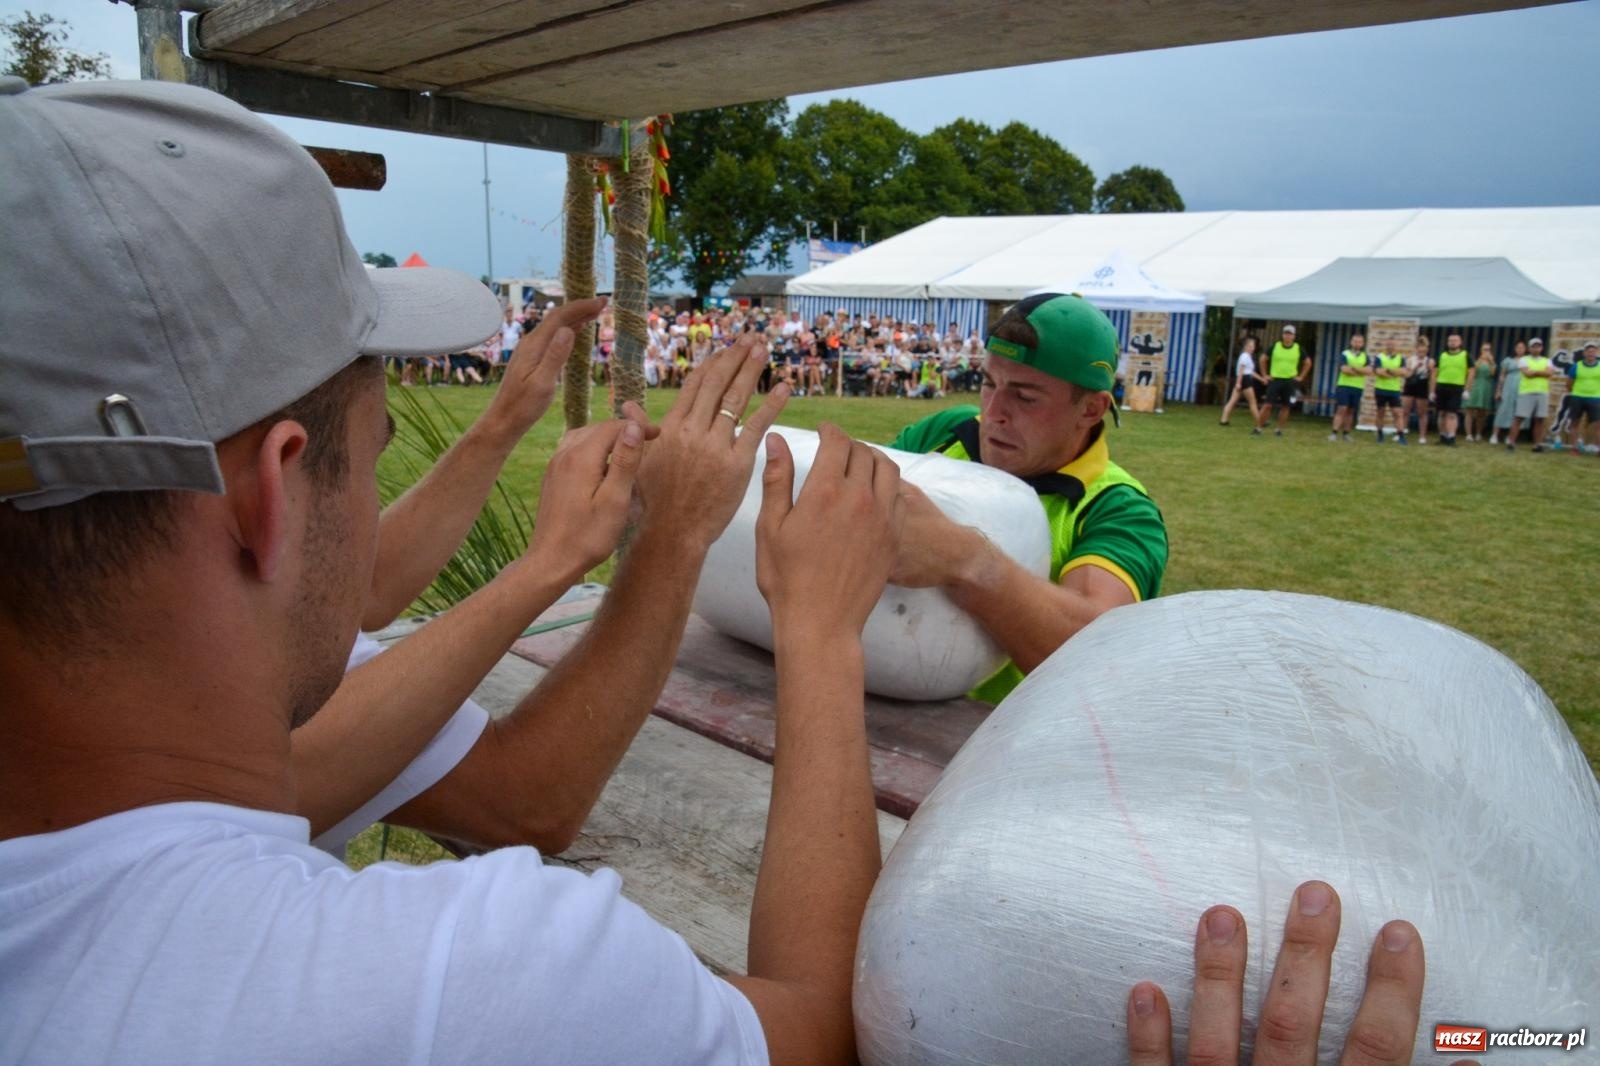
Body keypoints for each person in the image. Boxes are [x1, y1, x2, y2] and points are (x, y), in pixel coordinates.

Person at [0, 78, 901, 1065]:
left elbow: (362, 605)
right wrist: (817, 626)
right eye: (375, 450)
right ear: (274, 491)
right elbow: (819, 1028)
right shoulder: (466, 982)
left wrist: (517, 454)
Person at [887, 294, 1168, 703]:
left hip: (995, 747)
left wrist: (969, 560)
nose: (994, 411)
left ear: (1091, 409)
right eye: (989, 383)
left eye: (1024, 396)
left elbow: (1096, 649)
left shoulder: (1120, 508)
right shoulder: (948, 431)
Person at [1253, 324, 1309, 436]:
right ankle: (1258, 428)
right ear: (1282, 335)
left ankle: (1279, 429)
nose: (1287, 336)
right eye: (1286, 333)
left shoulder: (1298, 348)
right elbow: (1263, 359)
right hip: (1275, 379)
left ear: (1294, 336)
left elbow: (1307, 362)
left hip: (1290, 380)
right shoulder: (1275, 346)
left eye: (1290, 334)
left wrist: (1301, 376)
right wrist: (1265, 374)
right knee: (1268, 404)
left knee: (1286, 406)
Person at [1507, 336, 1554, 452]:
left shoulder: (1547, 360)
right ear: (1529, 348)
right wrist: (1541, 372)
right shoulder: (1524, 359)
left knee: (1540, 420)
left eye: (1538, 346)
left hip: (1542, 392)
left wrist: (1535, 372)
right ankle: (1511, 443)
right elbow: (1527, 374)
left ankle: (1537, 445)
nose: (1536, 349)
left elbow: (1549, 373)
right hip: (1526, 392)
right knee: (1519, 418)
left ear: (1542, 348)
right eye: (1534, 346)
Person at [1431, 331, 1471, 446]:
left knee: (1452, 414)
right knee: (1442, 413)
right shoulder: (1442, 355)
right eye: (1450, 341)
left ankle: (1451, 437)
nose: (1452, 343)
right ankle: (1442, 436)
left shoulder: (1465, 355)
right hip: (1441, 386)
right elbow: (1435, 373)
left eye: (1455, 340)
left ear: (1460, 342)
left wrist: (1467, 389)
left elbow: (1471, 372)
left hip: (1456, 387)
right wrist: (1432, 391)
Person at [1329, 332, 1370, 442]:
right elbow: (1344, 369)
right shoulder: (1345, 354)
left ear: (1362, 344)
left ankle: (1346, 434)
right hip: (1344, 385)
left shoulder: (1365, 356)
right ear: (1351, 342)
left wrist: (1354, 369)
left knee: (1351, 411)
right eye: (1355, 341)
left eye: (1359, 342)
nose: (1357, 344)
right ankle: (1334, 432)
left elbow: (1369, 370)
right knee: (1342, 408)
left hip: (1357, 387)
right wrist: (1360, 370)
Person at [1218, 336, 1262, 427]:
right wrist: (1239, 383)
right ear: (1245, 346)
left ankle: (1224, 419)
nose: (1252, 348)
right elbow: (1241, 370)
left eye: (1253, 346)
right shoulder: (1245, 356)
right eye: (1250, 346)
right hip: (1244, 380)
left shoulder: (1247, 356)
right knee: (1253, 402)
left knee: (1232, 401)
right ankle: (1259, 421)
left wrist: (1261, 379)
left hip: (1242, 379)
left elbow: (1250, 371)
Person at [1564, 343, 1600, 454]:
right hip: (1578, 398)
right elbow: (1569, 383)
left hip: (1595, 398)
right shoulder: (1576, 366)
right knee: (1575, 423)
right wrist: (1574, 392)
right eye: (1588, 351)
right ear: (1584, 353)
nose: (1591, 353)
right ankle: (1574, 448)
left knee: (1598, 424)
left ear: (1596, 353)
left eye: (1593, 351)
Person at [1491, 339, 1526, 445]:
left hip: (1522, 388)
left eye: (1522, 347)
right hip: (1508, 387)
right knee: (1503, 410)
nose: (1520, 349)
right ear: (1515, 349)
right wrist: (1498, 390)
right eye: (1518, 347)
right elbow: (1502, 376)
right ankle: (1494, 435)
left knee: (1517, 413)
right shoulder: (1508, 360)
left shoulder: (1528, 361)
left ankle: (1510, 437)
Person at [1371, 342, 1408, 444]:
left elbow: (1404, 372)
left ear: (1396, 346)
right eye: (1389, 345)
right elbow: (1378, 371)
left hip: (1394, 390)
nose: (1391, 347)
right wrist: (1395, 372)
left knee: (1397, 413)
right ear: (1386, 346)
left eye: (1393, 345)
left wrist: (1388, 371)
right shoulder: (1379, 357)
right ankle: (1379, 434)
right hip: (1380, 389)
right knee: (1380, 412)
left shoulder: (1401, 358)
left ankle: (1401, 435)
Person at [1463, 341, 1497, 442]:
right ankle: (1468, 434)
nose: (1486, 352)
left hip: (1485, 386)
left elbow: (1492, 374)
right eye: (1484, 349)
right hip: (1475, 385)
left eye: (1488, 349)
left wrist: (1491, 362)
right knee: (1470, 410)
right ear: (1480, 350)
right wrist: (1480, 360)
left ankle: (1478, 433)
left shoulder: (1492, 362)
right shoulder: (1475, 361)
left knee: (1481, 412)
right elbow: (1474, 372)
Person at [1401, 334, 1432, 444]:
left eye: (1424, 351)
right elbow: (1407, 375)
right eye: (1419, 351)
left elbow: (1432, 376)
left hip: (1422, 386)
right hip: (1410, 385)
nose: (1421, 353)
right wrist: (1415, 368)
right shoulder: (1410, 360)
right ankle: (1402, 432)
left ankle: (1422, 436)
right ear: (1416, 349)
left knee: (1422, 412)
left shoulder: (1430, 361)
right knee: (1405, 411)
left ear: (1427, 350)